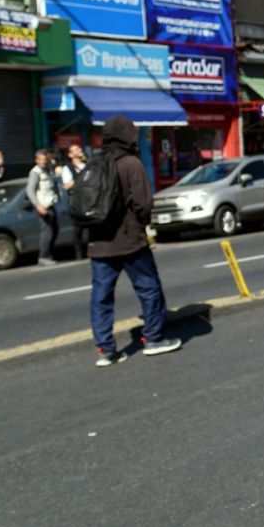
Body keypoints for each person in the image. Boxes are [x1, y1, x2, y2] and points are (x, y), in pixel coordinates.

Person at [87, 116, 181, 366]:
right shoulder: (131, 163)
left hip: (99, 242)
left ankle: (105, 350)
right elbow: (143, 203)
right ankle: (153, 339)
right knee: (149, 288)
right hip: (129, 241)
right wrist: (142, 224)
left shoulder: (95, 163)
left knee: (101, 296)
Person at [26, 149, 60, 267]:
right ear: (36, 160)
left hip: (50, 204)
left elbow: (53, 184)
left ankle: (48, 254)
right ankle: (43, 256)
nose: (43, 162)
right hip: (43, 206)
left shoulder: (48, 169)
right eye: (41, 159)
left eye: (45, 159)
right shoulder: (35, 172)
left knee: (54, 229)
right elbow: (29, 190)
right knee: (47, 231)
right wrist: (37, 205)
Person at [60, 143, 89, 260]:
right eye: (76, 149)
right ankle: (79, 254)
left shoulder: (86, 165)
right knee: (78, 228)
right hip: (77, 202)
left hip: (89, 199)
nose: (79, 150)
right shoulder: (67, 168)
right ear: (70, 154)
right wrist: (80, 175)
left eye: (79, 148)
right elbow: (67, 185)